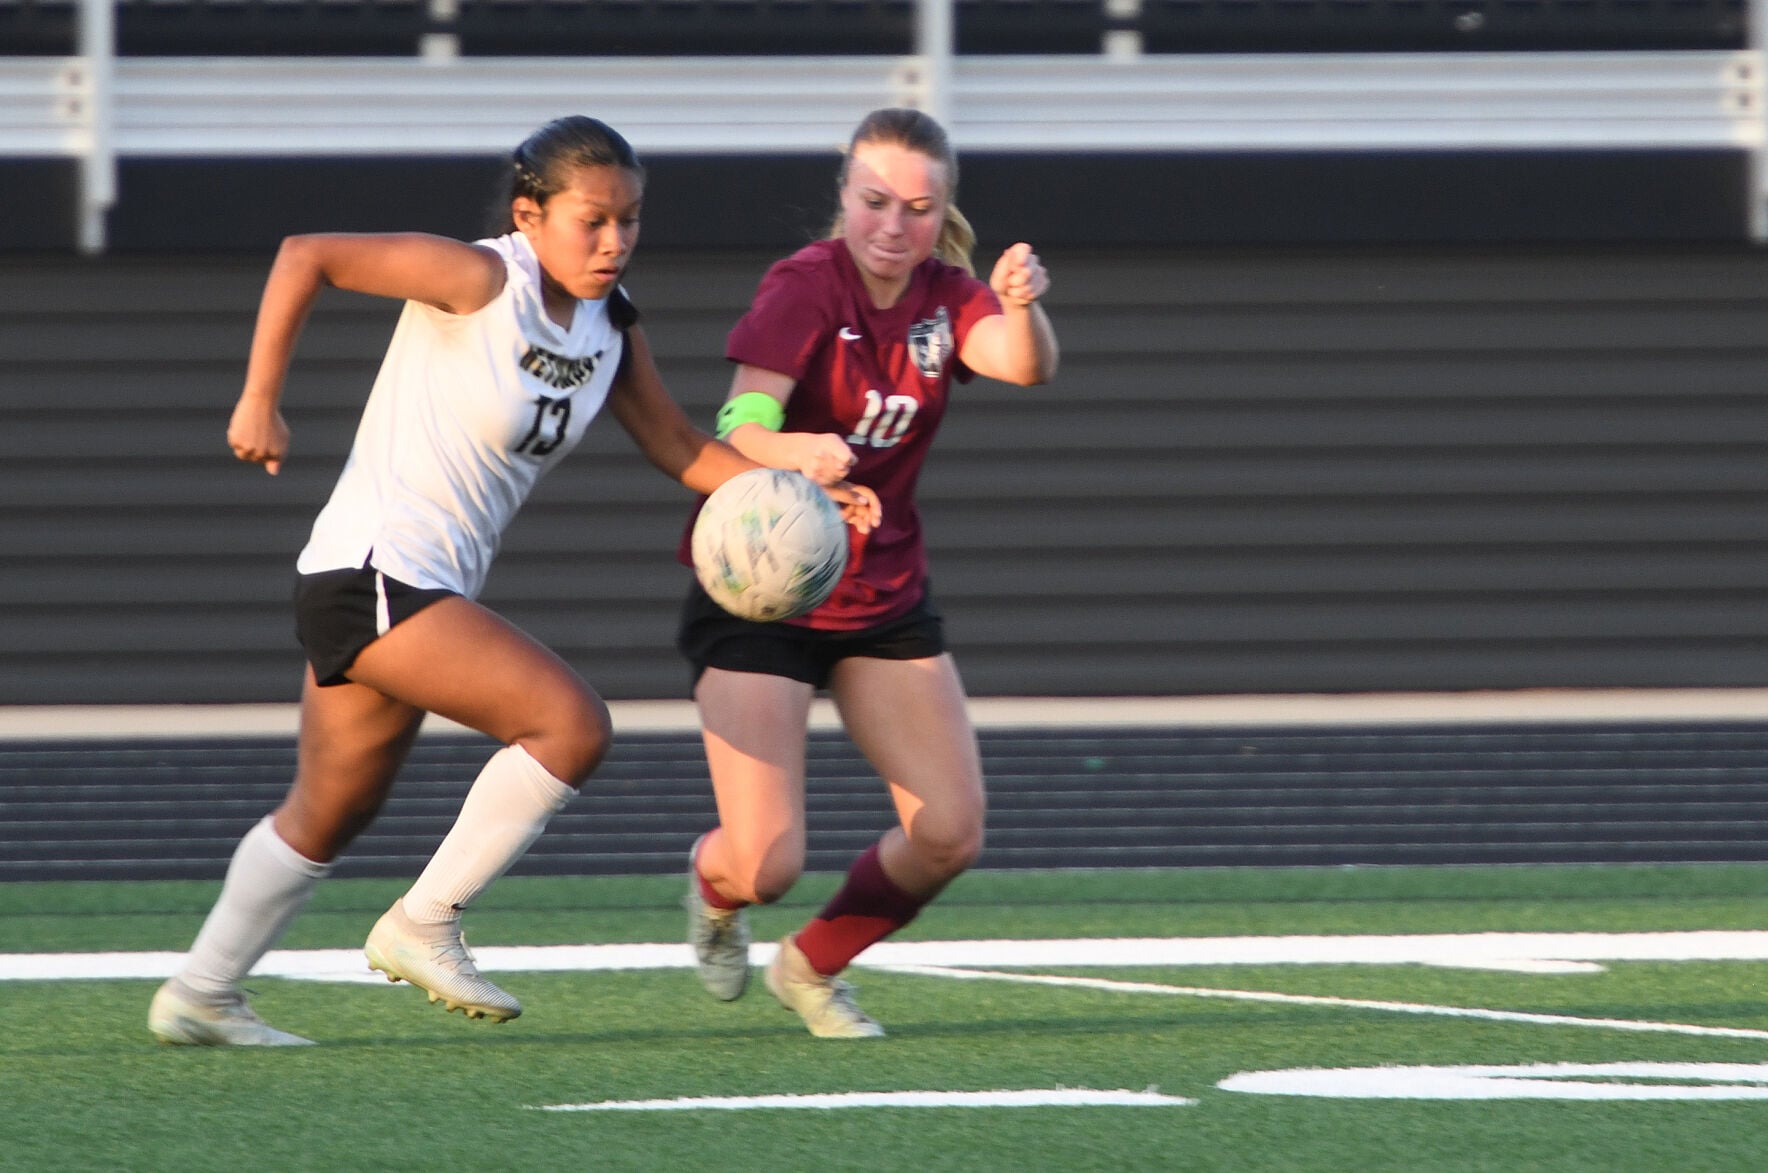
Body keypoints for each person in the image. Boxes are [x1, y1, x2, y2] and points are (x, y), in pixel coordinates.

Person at [147, 115, 876, 1047]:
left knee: (328, 811)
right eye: (591, 220)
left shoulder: (611, 326)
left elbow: (681, 447)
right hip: (374, 569)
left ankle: (202, 992)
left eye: (630, 219)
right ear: (530, 215)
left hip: (412, 585)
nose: (614, 241)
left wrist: (793, 496)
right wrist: (260, 399)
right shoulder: (482, 279)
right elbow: (307, 255)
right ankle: (425, 921)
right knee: (571, 725)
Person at [677, 107, 1059, 1038]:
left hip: (880, 594)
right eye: (875, 201)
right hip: (766, 587)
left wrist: (1020, 304)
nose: (894, 225)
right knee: (763, 864)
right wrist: (797, 451)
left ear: (943, 211)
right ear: (844, 195)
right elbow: (738, 425)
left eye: (918, 209)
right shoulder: (805, 285)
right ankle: (714, 890)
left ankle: (811, 964)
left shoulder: (947, 296)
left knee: (949, 832)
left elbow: (1024, 365)